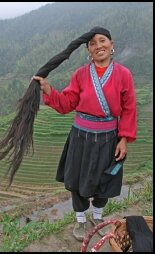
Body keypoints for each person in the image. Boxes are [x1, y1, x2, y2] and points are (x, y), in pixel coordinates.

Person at [32, 27, 137, 241]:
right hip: (81, 137)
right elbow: (67, 103)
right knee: (77, 178)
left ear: (111, 43)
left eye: (102, 41)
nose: (98, 46)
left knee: (106, 178)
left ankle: (97, 217)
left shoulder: (123, 74)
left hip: (109, 138)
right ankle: (80, 220)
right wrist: (49, 90)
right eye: (92, 43)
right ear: (88, 50)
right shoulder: (80, 74)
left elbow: (129, 108)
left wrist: (123, 139)